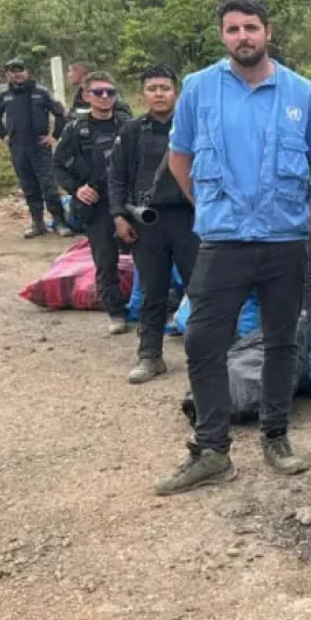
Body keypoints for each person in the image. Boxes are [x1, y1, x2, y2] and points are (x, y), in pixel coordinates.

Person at [153, 0, 311, 496]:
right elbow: (180, 159)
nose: (242, 37)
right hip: (222, 242)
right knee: (203, 342)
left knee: (281, 341)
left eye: (251, 27)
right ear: (222, 36)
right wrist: (211, 209)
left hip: (284, 241)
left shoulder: (299, 91)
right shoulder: (200, 89)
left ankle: (276, 437)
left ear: (267, 31)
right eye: (233, 29)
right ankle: (212, 450)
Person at [108, 63, 199, 383]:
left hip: (190, 220)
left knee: (200, 291)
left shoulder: (193, 126)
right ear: (143, 94)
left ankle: (206, 358)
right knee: (152, 291)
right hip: (148, 222)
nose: (159, 94)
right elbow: (116, 176)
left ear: (176, 92)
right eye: (152, 88)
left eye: (165, 88)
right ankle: (150, 356)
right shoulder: (132, 130)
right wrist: (119, 215)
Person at [53, 71, 130, 332]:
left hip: (129, 202)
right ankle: (116, 312)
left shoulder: (128, 125)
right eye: (98, 92)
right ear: (86, 96)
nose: (105, 97)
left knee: (147, 257)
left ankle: (153, 307)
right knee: (105, 259)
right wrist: (76, 189)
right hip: (97, 206)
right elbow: (58, 166)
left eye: (110, 92)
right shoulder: (76, 130)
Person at [0, 58, 71, 237]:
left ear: (27, 72)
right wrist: (3, 135)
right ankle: (38, 223)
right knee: (28, 185)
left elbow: (60, 113)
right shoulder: (4, 95)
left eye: (20, 70)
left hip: (40, 146)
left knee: (49, 185)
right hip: (18, 148)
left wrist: (54, 136)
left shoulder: (41, 92)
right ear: (7, 74)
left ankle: (59, 221)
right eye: (12, 71)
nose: (17, 74)